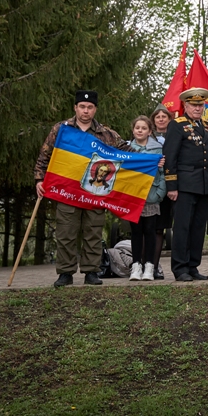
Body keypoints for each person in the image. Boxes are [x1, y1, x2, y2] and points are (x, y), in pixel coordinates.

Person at [35, 90, 135, 287]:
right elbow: (44, 156)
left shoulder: (106, 134)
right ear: (75, 108)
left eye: (90, 107)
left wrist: (152, 159)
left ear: (95, 109)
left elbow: (129, 152)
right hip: (67, 191)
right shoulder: (62, 129)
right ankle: (65, 273)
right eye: (82, 106)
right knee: (66, 234)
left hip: (94, 193)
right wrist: (39, 179)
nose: (85, 111)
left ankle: (91, 271)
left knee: (93, 233)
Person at [163, 88, 208, 282]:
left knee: (197, 228)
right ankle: (180, 268)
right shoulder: (177, 125)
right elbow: (170, 157)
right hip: (184, 185)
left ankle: (193, 266)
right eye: (194, 105)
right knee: (183, 227)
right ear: (185, 105)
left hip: (203, 186)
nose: (198, 108)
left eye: (201, 105)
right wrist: (172, 186)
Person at [128, 116, 166, 281]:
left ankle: (150, 266)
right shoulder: (128, 148)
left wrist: (159, 194)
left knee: (150, 231)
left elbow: (163, 174)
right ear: (133, 130)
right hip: (133, 196)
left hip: (151, 195)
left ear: (150, 131)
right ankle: (136, 266)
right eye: (137, 128)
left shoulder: (157, 149)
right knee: (136, 232)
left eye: (144, 128)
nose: (140, 131)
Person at [149, 104, 174, 280]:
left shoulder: (175, 136)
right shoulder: (145, 137)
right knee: (146, 229)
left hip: (168, 187)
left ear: (169, 119)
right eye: (157, 117)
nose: (161, 119)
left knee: (160, 229)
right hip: (149, 188)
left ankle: (156, 266)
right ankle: (144, 265)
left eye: (164, 116)